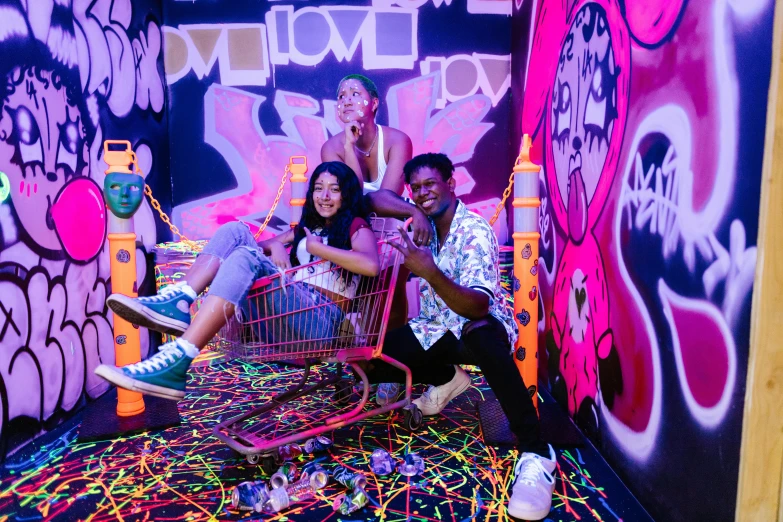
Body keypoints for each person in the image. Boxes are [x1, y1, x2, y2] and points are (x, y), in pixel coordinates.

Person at [366, 153, 556, 520]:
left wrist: (429, 270)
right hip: (436, 327)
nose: (422, 194)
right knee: (370, 365)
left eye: (430, 186)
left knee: (481, 333)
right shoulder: (423, 226)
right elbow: (368, 199)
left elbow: (478, 307)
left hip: (479, 327)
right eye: (415, 188)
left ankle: (536, 452)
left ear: (451, 184)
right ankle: (447, 378)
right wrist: (413, 210)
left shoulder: (474, 230)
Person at [95, 162, 380, 400]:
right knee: (235, 231)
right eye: (318, 188)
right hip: (290, 311)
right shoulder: (307, 229)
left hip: (322, 321)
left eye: (334, 189)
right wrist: (280, 246)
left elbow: (371, 265)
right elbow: (267, 244)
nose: (324, 196)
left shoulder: (355, 226)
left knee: (246, 256)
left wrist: (318, 249)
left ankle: (178, 359)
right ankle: (180, 298)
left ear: (346, 195)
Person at [321, 73, 430, 407]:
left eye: (355, 92)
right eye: (341, 95)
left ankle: (388, 370)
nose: (347, 99)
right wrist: (349, 147)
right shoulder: (331, 147)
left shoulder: (397, 140)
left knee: (389, 285)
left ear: (374, 103)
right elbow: (352, 200)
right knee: (340, 293)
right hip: (351, 232)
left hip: (390, 232)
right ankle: (349, 367)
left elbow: (386, 197)